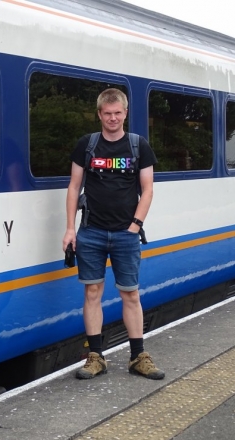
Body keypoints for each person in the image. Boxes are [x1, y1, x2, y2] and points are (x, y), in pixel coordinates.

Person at [62, 88, 165, 380]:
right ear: (99, 114)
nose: (112, 118)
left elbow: (148, 189)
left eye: (117, 113)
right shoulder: (87, 145)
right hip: (91, 232)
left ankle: (138, 356)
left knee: (130, 294)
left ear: (125, 113)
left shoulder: (138, 146)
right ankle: (96, 357)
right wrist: (71, 229)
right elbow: (73, 187)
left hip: (125, 234)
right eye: (107, 113)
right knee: (92, 291)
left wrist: (135, 225)